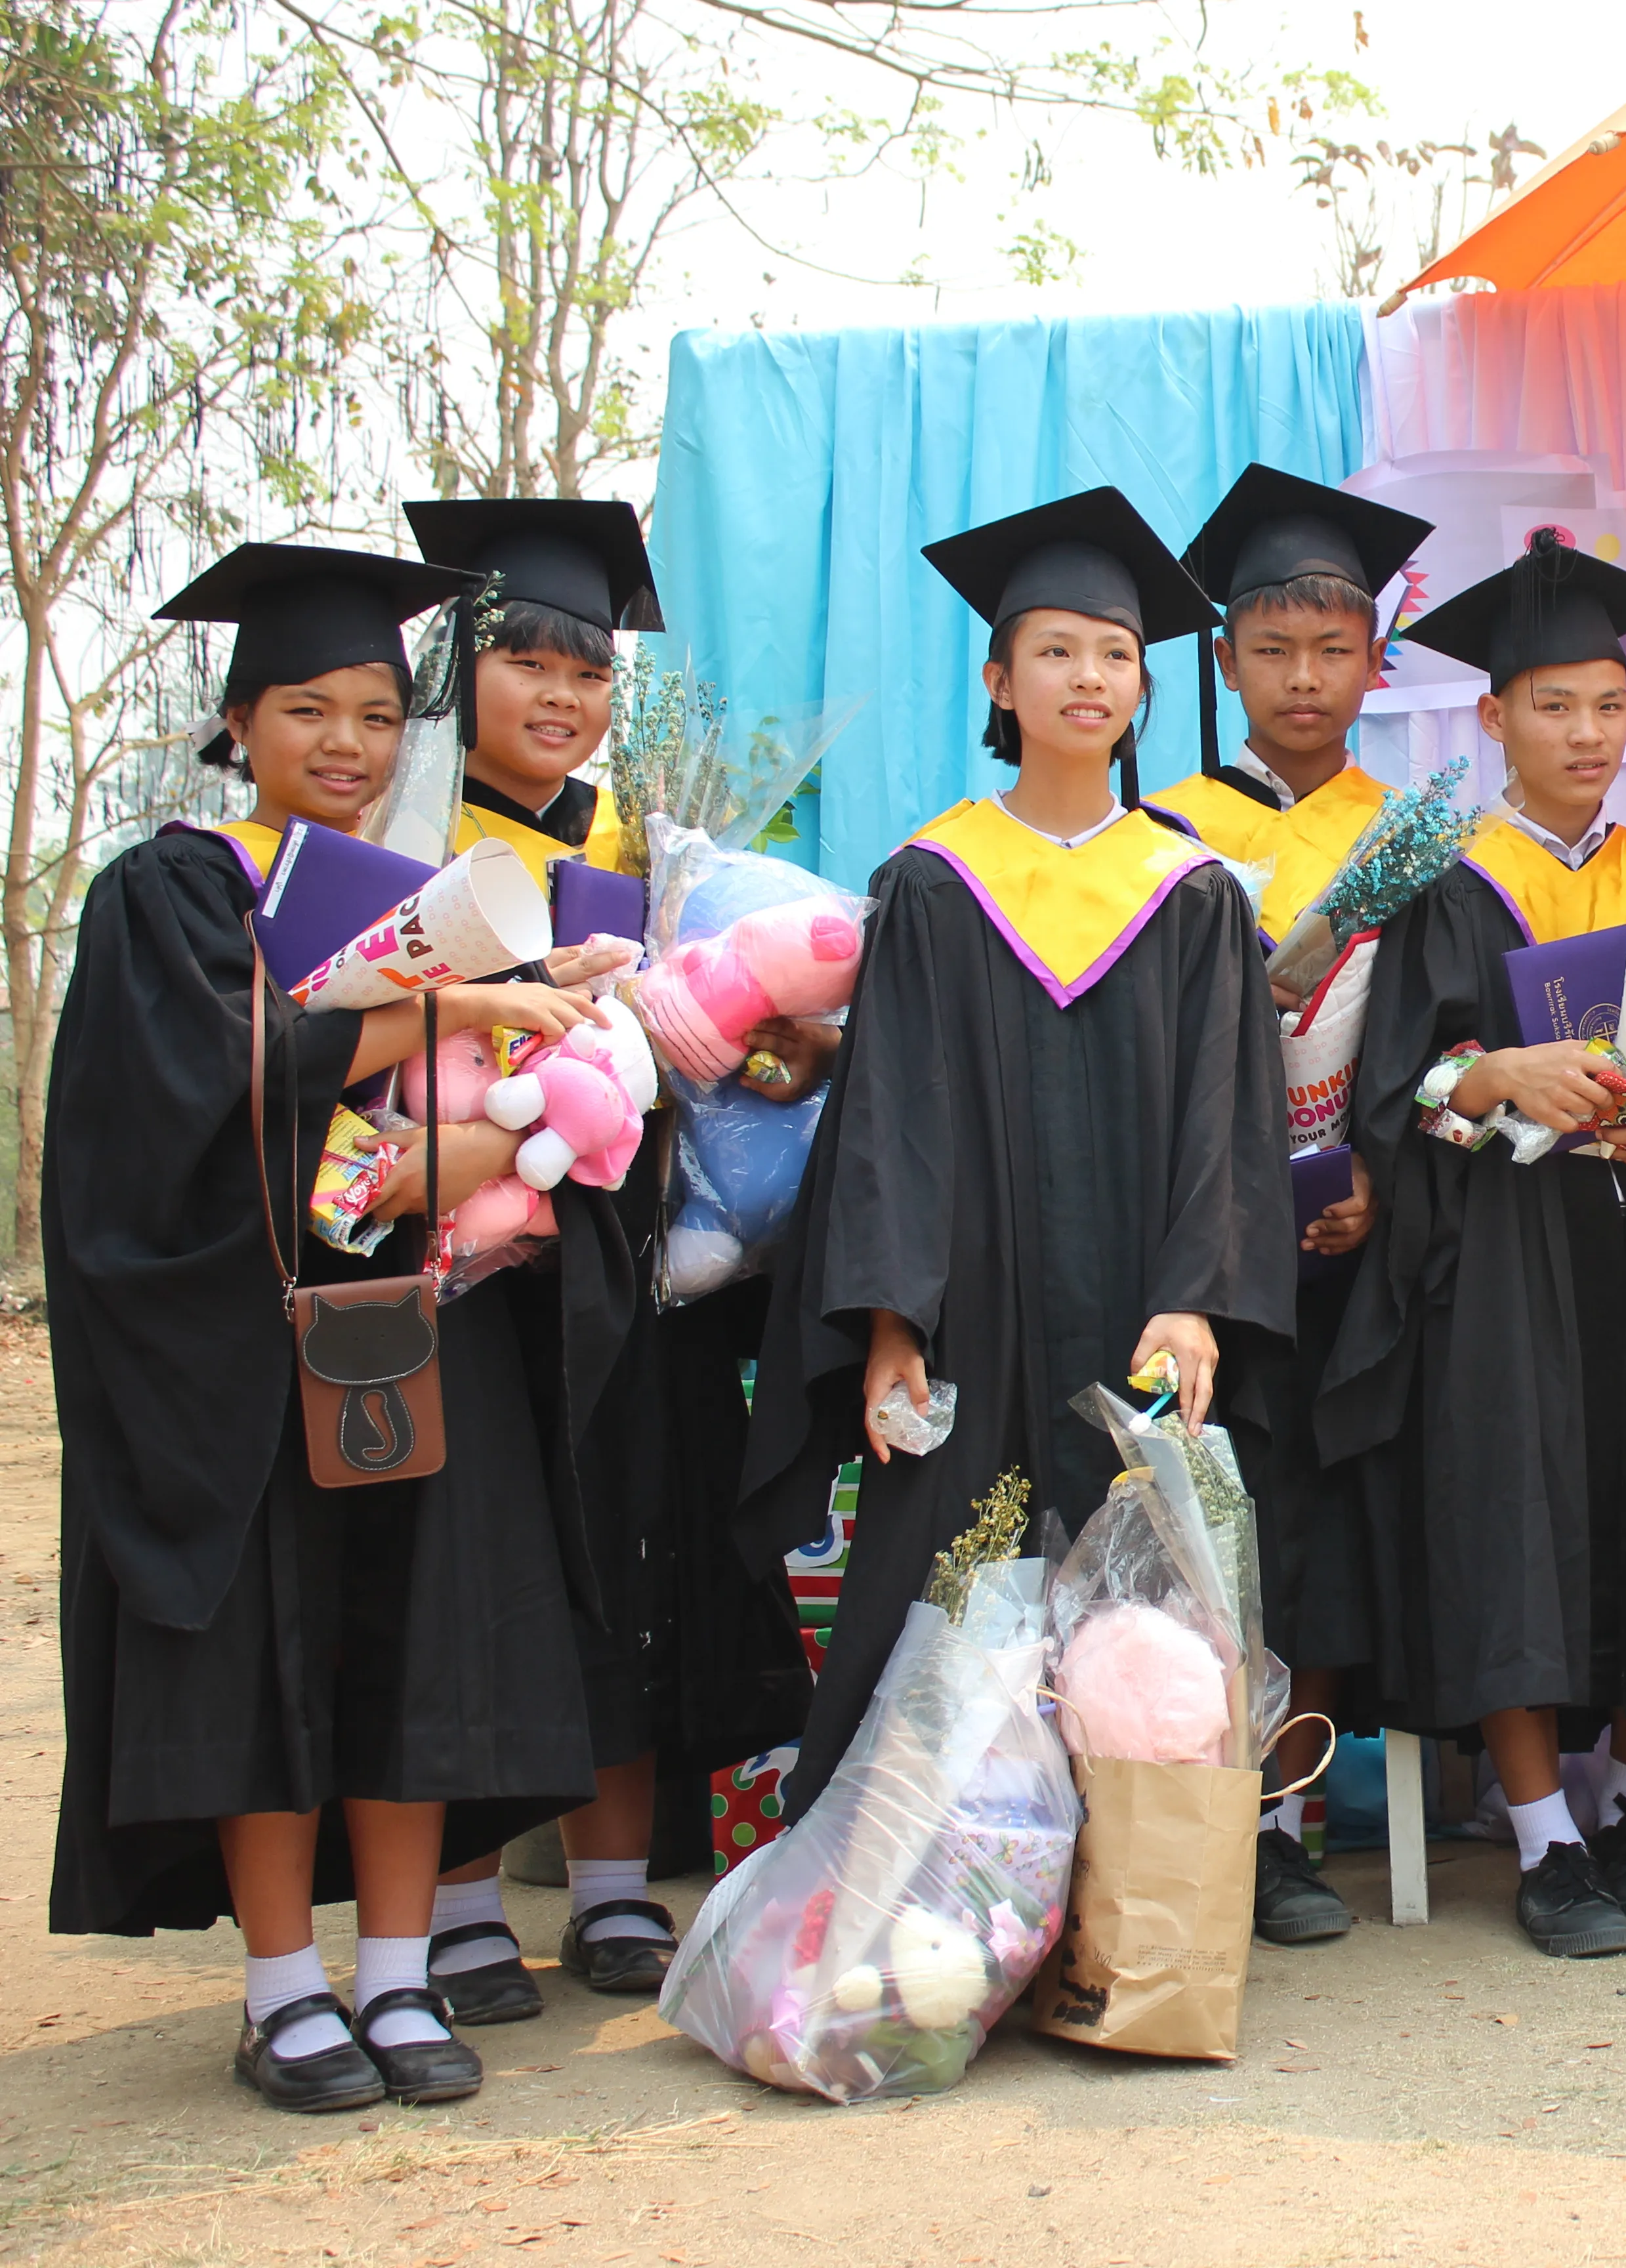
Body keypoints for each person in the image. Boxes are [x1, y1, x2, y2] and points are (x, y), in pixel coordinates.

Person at [49, 544, 631, 2110]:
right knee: (268, 1654)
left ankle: (393, 1970)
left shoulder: (439, 899)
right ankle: (281, 1987)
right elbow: (204, 1087)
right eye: (307, 709)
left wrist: (541, 1025)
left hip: (421, 1324)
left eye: (377, 714)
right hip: (237, 1351)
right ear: (238, 721)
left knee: (413, 1642)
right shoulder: (173, 883)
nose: (347, 746)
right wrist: (462, 1008)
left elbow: (505, 1113)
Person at [740, 487, 1296, 1817]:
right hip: (969, 1324)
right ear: (998, 678)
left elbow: (1230, 1116)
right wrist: (891, 1323)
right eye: (1055, 651)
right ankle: (918, 1905)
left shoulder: (1195, 894)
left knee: (1143, 1624)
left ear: (1143, 684)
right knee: (946, 1597)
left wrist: (1196, 1292)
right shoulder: (935, 882)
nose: (1088, 677)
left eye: (1114, 654)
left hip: (1136, 1317)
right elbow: (891, 1125)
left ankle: (1147, 1897)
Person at [1315, 529, 1626, 1960]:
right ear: (1494, 716)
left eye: (1610, 704)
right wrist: (1497, 1077)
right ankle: (1542, 1836)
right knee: (1514, 1528)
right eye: (1555, 706)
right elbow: (1400, 1094)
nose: (1587, 733)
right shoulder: (1449, 885)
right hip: (1506, 1255)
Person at [396, 497, 818, 2017]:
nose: (563, 697)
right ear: (464, 672)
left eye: (588, 674)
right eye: (526, 663)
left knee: (635, 1546)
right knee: (469, 1574)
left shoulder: (661, 848)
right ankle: (449, 1905)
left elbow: (755, 1026)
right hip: (468, 1264)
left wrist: (757, 1047)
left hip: (638, 1258)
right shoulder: (401, 839)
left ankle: (613, 1889)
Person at [1161, 465, 1432, 1946]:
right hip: (1215, 1254)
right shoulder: (1167, 833)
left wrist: (1383, 1176)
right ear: (1226, 664)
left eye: (1335, 650)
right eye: (1275, 651)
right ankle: (1189, 1816)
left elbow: (1438, 1035)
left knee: (1322, 1541)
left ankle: (1283, 1827)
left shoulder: (1424, 845)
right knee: (1218, 1539)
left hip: (1362, 1253)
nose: (1306, 678)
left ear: (1374, 664)